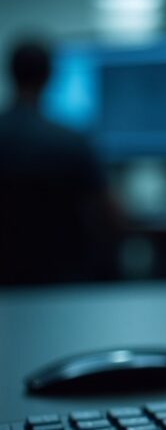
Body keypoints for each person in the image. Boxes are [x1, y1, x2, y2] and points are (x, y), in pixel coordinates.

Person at [0, 38, 115, 284]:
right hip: (63, 285)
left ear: (10, 74)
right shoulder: (72, 141)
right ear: (49, 76)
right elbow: (111, 216)